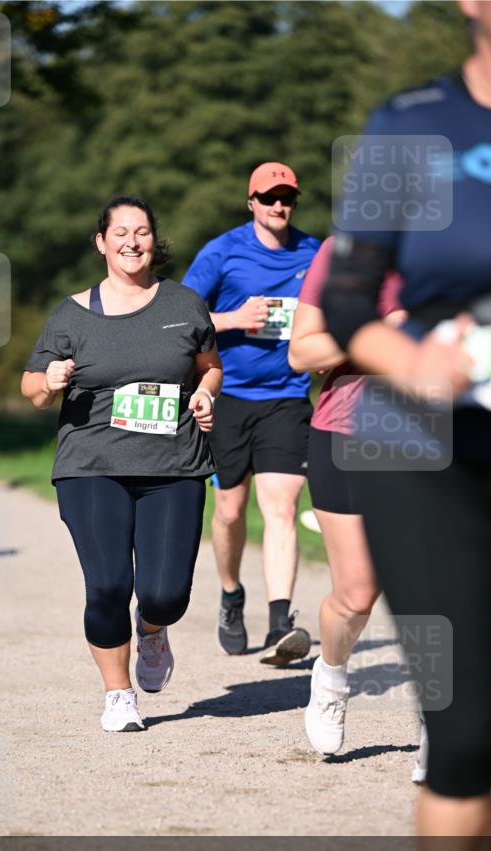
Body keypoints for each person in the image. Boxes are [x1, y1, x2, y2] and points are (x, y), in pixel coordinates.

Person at [322, 2, 491, 851]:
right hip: (420, 444)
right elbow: (348, 298)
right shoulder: (412, 124)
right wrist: (411, 362)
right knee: (459, 728)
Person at [22, 195, 222, 733]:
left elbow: (210, 367)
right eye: (120, 233)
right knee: (108, 583)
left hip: (173, 465)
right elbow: (32, 388)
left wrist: (204, 395)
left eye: (142, 232)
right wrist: (51, 381)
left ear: (154, 241)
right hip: (92, 464)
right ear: (101, 243)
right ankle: (118, 695)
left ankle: (152, 629)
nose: (132, 242)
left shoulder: (184, 304)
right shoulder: (70, 314)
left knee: (165, 593)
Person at [182, 162, 320, 664]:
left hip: (286, 396)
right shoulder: (222, 252)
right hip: (228, 396)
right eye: (269, 197)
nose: (279, 206)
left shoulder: (315, 252)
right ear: (251, 203)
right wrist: (233, 319)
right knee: (230, 511)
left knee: (282, 507)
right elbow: (179, 318)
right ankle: (230, 593)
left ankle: (281, 621)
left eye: (287, 198)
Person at [288, 236, 406, 755]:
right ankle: (331, 679)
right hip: (347, 433)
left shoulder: (467, 248)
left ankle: (438, 727)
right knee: (357, 595)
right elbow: (301, 351)